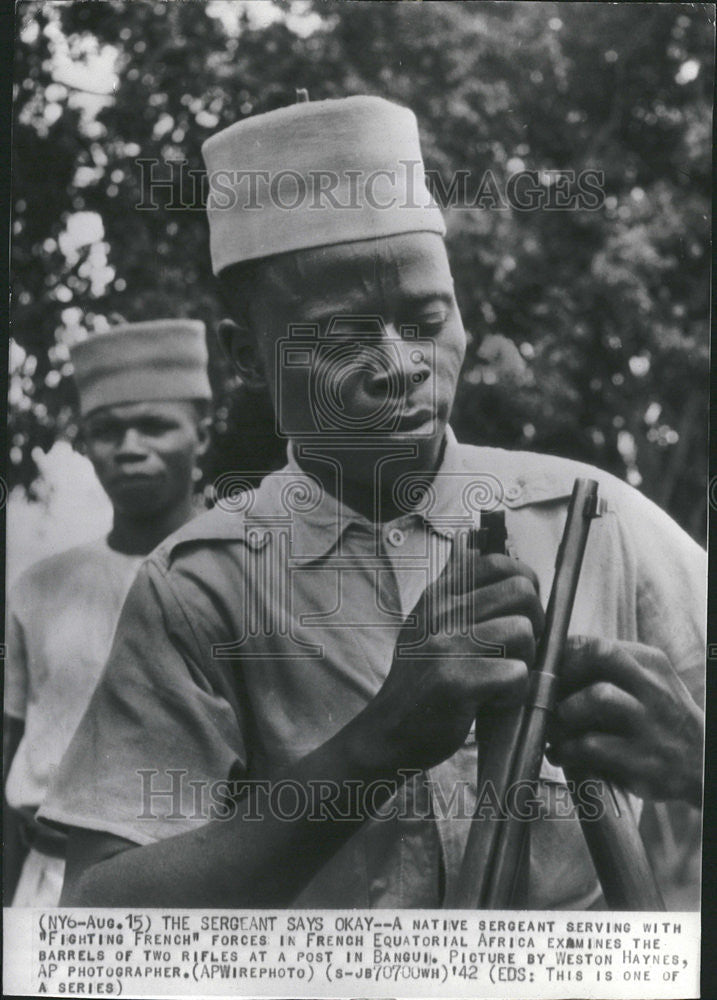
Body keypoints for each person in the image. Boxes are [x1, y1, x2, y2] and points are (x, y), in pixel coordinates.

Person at [39, 96, 705, 909]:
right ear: (247, 356)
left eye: (427, 317)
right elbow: (96, 912)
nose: (398, 364)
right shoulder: (200, 588)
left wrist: (695, 761)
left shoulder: (593, 521)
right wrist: (379, 743)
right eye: (342, 336)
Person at [4, 319, 212, 906]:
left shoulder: (242, 579)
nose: (129, 448)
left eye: (154, 426)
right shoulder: (41, 586)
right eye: (106, 430)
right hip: (45, 882)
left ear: (203, 433)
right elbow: (13, 746)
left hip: (194, 889)